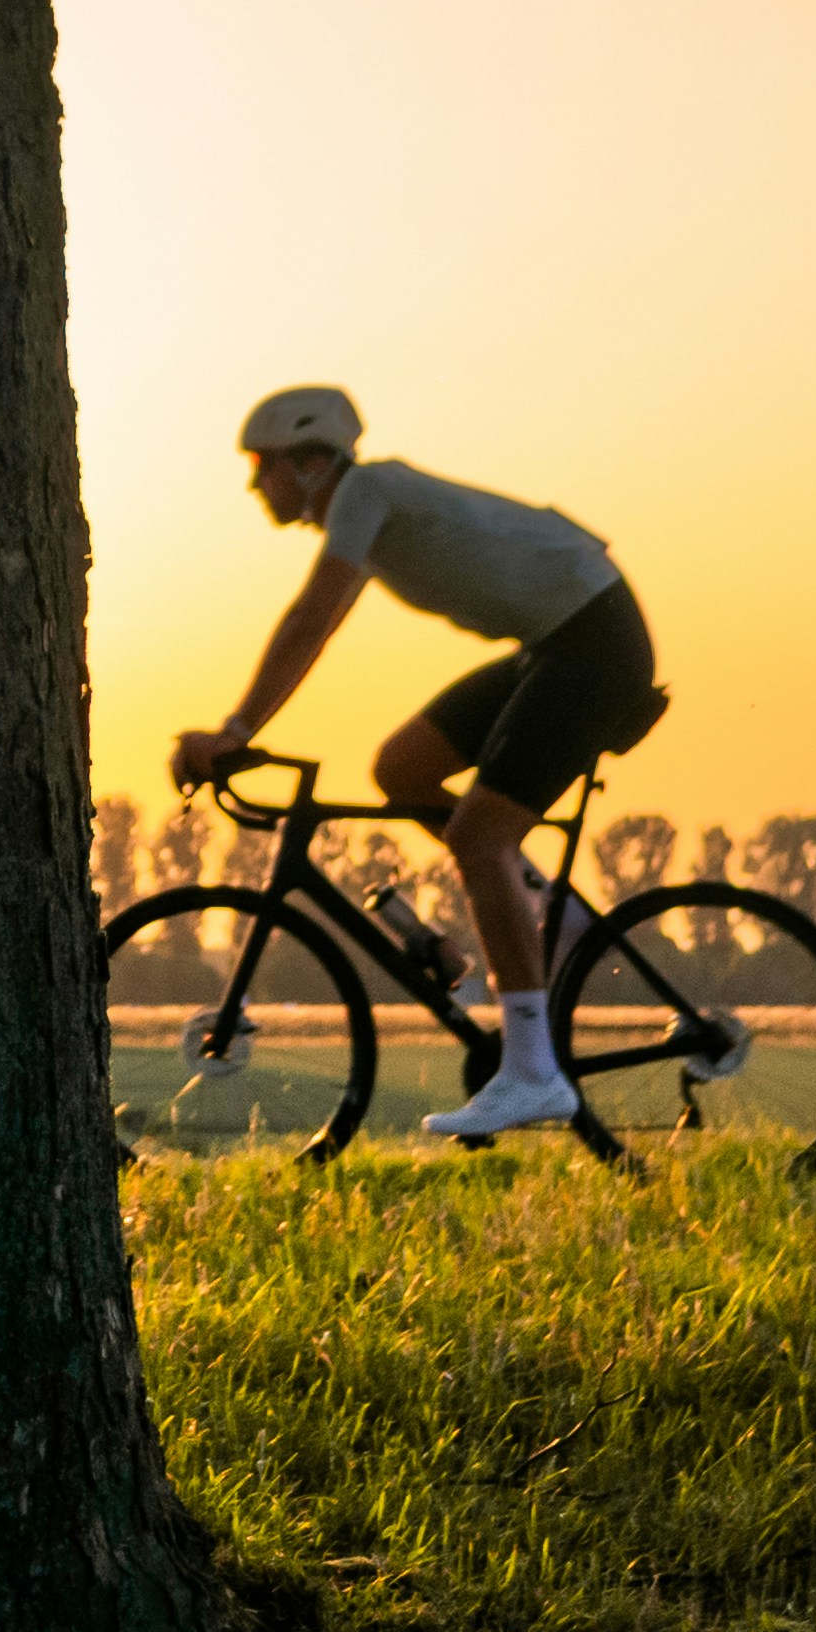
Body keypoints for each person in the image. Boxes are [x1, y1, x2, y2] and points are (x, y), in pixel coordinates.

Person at [167, 385, 671, 1140]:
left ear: (310, 463)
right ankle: (542, 902)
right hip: (554, 644)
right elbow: (323, 624)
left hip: (593, 642)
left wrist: (236, 729)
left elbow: (311, 619)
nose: (253, 484)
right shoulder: (366, 516)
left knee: (478, 835)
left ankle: (533, 1073)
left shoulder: (364, 491)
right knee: (401, 769)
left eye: (262, 466)